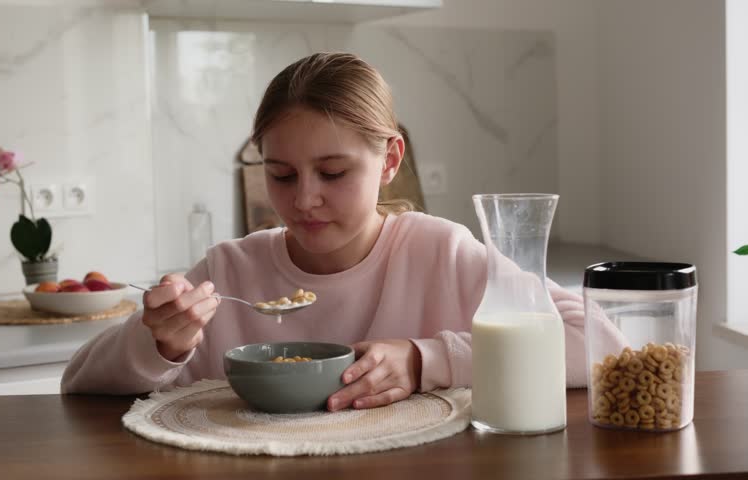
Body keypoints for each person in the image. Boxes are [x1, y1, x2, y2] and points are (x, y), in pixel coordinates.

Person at [62, 52, 608, 411]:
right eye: (280, 175)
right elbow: (78, 382)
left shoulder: (439, 252)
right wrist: (159, 342)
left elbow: (601, 344)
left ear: (390, 159)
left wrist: (426, 360)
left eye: (333, 173)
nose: (303, 200)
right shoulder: (231, 270)